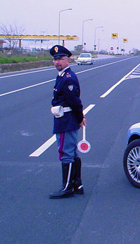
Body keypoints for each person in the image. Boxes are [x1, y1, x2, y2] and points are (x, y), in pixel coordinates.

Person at [48, 45, 87, 199]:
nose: (57, 62)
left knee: (66, 153)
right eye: (55, 59)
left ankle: (67, 187)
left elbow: (74, 102)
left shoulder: (68, 78)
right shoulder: (62, 76)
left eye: (60, 59)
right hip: (65, 119)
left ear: (68, 59)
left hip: (66, 120)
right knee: (71, 151)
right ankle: (77, 184)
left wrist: (79, 118)